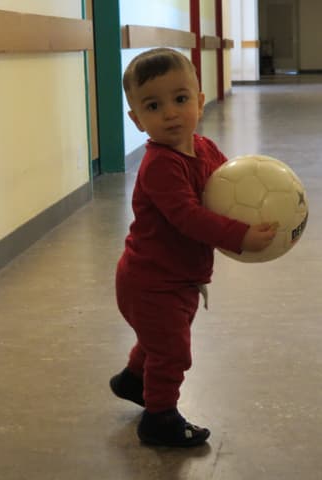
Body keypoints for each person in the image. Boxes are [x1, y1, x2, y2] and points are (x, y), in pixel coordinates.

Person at [109, 48, 278, 448]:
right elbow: (189, 217)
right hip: (150, 281)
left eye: (180, 99)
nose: (170, 113)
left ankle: (134, 380)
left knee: (161, 338)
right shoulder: (160, 166)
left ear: (200, 101)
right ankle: (159, 418)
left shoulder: (204, 149)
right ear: (136, 120)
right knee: (172, 351)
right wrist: (240, 235)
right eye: (153, 105)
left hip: (178, 278)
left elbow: (225, 187)